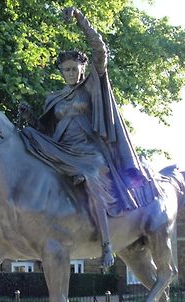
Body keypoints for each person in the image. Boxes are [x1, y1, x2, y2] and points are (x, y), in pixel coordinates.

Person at [19, 7, 158, 268]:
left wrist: (81, 19)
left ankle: (106, 245)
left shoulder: (93, 84)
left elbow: (100, 50)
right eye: (66, 70)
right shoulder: (54, 98)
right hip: (61, 149)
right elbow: (47, 130)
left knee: (92, 180)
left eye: (74, 68)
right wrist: (31, 119)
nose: (70, 73)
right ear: (61, 71)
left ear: (82, 68)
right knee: (27, 147)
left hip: (90, 152)